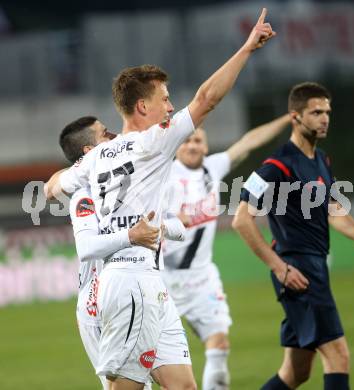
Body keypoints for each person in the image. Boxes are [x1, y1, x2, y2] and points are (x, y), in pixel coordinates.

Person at [45, 8, 276, 390]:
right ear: (142, 107)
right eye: (165, 100)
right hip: (129, 279)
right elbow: (208, 98)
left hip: (151, 281)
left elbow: (53, 187)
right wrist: (247, 49)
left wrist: (168, 226)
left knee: (185, 385)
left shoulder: (98, 156)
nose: (171, 108)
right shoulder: (155, 141)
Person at [232, 82, 354, 390]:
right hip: (298, 271)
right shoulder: (276, 165)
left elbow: (335, 210)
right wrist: (279, 267)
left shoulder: (322, 160)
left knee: (296, 372)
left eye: (327, 112)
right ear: (295, 116)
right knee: (339, 356)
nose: (325, 118)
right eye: (316, 112)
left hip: (312, 266)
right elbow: (242, 220)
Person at [162, 114, 290, 390]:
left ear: (206, 147)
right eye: (186, 141)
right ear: (177, 147)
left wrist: (287, 119)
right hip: (162, 279)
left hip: (201, 278)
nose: (193, 146)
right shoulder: (164, 174)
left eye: (198, 141)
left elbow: (248, 142)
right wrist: (171, 218)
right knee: (158, 363)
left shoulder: (212, 168)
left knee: (219, 344)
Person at [60, 116, 187, 390]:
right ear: (88, 153)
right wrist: (132, 235)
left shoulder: (132, 182)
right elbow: (86, 248)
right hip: (103, 298)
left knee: (183, 385)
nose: (115, 135)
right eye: (105, 133)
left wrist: (161, 227)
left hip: (150, 287)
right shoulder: (84, 195)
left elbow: (179, 226)